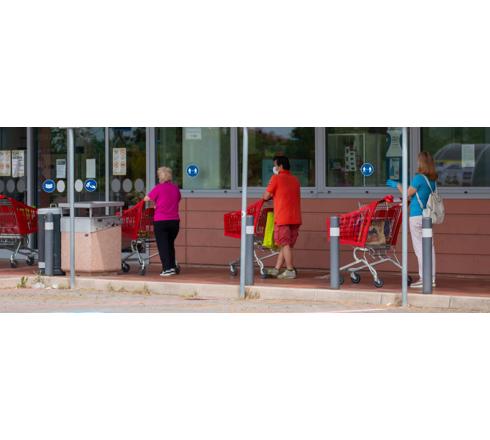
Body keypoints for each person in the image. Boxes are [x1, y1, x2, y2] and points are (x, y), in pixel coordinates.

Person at [386, 151, 437, 288]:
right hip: (428, 217)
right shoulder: (432, 180)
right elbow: (420, 196)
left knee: (420, 249)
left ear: (421, 163)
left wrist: (396, 185)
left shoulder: (419, 178)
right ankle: (431, 278)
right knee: (429, 248)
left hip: (417, 217)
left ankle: (424, 279)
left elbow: (407, 193)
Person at [262, 155, 302, 279]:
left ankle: (290, 270)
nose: (274, 168)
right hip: (295, 217)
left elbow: (266, 196)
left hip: (282, 217)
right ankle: (276, 269)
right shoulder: (295, 179)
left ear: (280, 166)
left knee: (284, 244)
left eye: (275, 165)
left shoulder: (276, 178)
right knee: (286, 246)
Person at [144, 167, 181, 277]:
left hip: (161, 221)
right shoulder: (175, 188)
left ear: (160, 177)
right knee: (170, 244)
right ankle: (172, 267)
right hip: (174, 221)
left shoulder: (158, 188)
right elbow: (176, 200)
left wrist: (155, 203)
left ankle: (167, 269)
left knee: (163, 245)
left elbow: (146, 198)